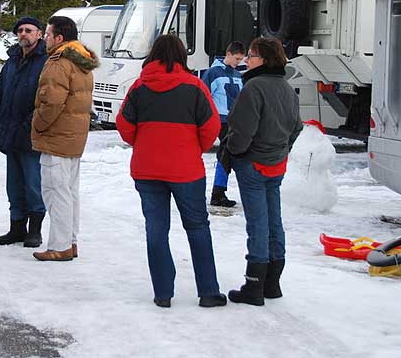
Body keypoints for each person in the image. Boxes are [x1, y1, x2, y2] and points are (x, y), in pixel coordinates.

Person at [116, 35, 226, 309]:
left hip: (147, 168)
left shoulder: (139, 87)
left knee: (156, 228)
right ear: (181, 56)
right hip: (186, 170)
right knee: (198, 227)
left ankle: (163, 292)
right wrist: (192, 148)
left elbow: (124, 125)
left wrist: (143, 144)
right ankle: (208, 291)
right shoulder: (195, 86)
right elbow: (212, 127)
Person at [221, 37, 303, 305]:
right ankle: (273, 282)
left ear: (265, 59)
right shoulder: (287, 89)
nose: (247, 60)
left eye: (252, 55)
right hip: (276, 163)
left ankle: (254, 285)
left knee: (258, 224)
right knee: (273, 222)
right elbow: (296, 128)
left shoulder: (254, 88)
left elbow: (242, 130)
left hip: (253, 163)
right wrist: (282, 149)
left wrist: (233, 151)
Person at [30, 15, 99, 262]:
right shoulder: (82, 61)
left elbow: (51, 102)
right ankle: (70, 241)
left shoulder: (58, 62)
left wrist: (37, 124)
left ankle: (60, 246)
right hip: (73, 136)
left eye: (47, 34)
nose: (45, 38)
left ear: (59, 38)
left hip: (57, 136)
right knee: (69, 191)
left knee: (55, 191)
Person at [0, 16, 48, 248]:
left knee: (33, 184)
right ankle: (16, 228)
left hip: (30, 135)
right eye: (20, 30)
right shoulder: (12, 60)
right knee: (13, 185)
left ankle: (35, 230)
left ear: (39, 34)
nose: (23, 34)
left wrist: (29, 124)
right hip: (9, 133)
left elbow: (44, 101)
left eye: (29, 30)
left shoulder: (45, 61)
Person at [201, 41, 246, 208]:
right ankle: (217, 193)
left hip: (234, 121)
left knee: (227, 155)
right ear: (228, 54)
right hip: (219, 120)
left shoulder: (237, 75)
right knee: (226, 154)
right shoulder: (213, 73)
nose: (238, 62)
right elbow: (204, 96)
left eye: (241, 59)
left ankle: (219, 192)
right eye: (236, 58)